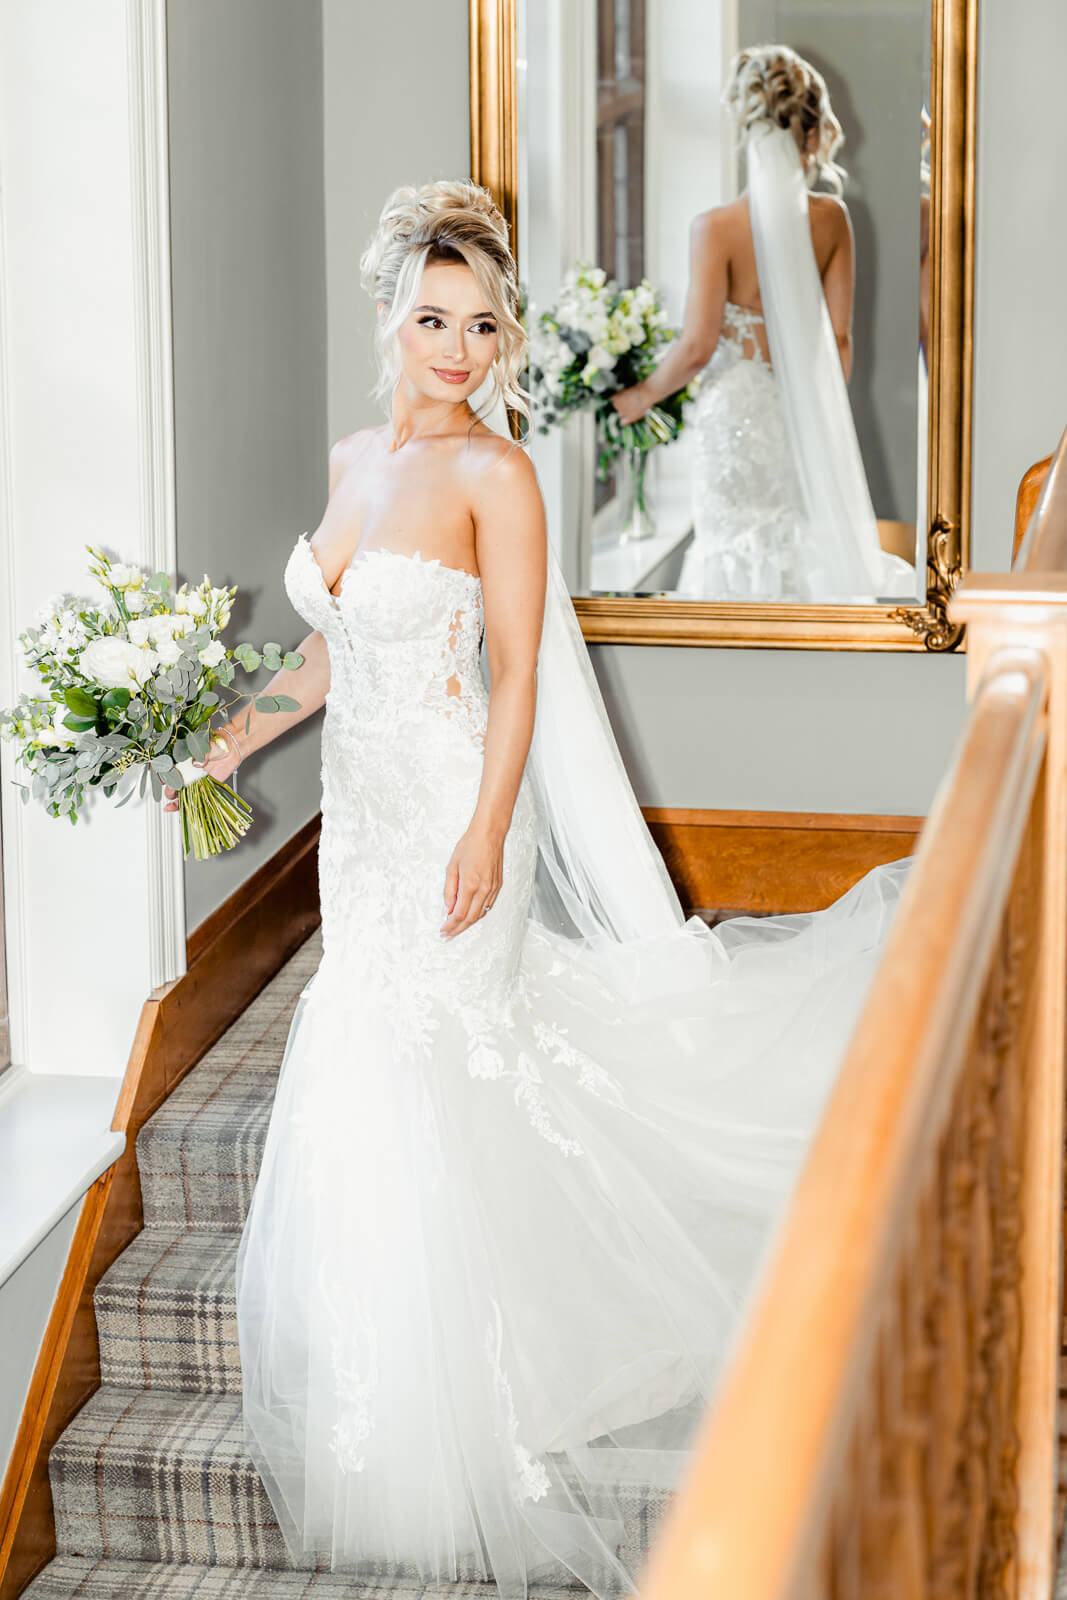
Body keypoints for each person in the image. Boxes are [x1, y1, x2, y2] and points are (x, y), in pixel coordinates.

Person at [165, 178, 908, 1599]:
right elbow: (330, 652)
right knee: (373, 1073)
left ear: (505, 338)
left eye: (482, 324)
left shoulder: (492, 479)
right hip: (364, 826)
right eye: (433, 318)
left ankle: (460, 1414)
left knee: (429, 1062)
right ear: (389, 314)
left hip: (451, 810)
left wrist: (489, 831)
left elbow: (512, 674)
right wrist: (233, 732)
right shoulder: (353, 458)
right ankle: (398, 1390)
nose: (455, 347)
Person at [613, 45, 914, 602]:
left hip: (734, 417)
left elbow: (699, 345)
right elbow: (839, 342)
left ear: (747, 128)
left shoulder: (714, 228)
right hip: (798, 413)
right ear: (813, 131)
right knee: (799, 542)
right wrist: (814, 408)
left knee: (730, 547)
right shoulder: (833, 221)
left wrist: (642, 397)